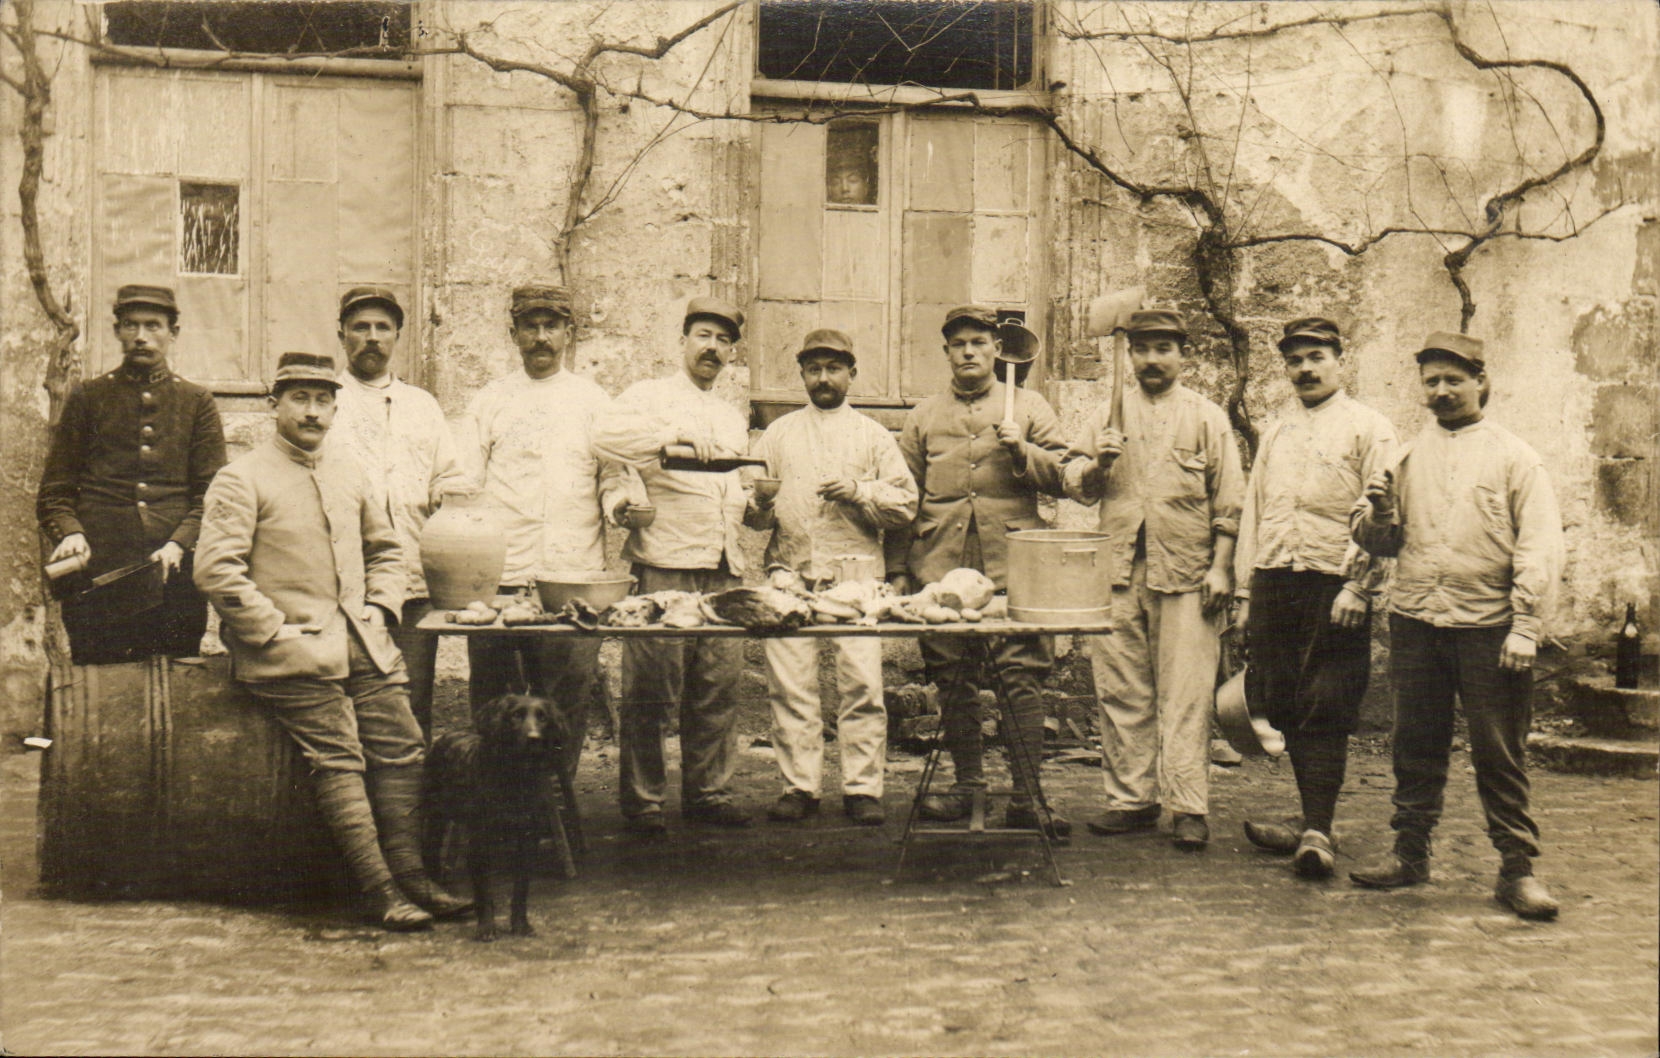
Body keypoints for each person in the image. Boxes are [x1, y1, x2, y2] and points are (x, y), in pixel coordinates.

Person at [195, 352, 469, 931]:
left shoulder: (348, 470)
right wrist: (273, 630)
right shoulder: (241, 478)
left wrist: (379, 607)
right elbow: (217, 570)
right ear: (275, 405)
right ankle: (380, 889)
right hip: (287, 653)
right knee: (340, 755)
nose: (313, 412)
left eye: (323, 400)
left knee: (401, 741)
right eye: (300, 399)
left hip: (360, 641)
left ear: (335, 407)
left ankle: (415, 876)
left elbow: (387, 549)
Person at [1348, 331, 1564, 921]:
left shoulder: (1514, 457)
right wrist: (1380, 516)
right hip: (1417, 620)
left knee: (1500, 752)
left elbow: (1540, 545)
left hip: (1490, 627)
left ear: (1481, 383)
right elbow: (1377, 544)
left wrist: (1525, 624)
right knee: (1414, 745)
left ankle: (1517, 870)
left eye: (1454, 380)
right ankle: (1409, 854)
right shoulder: (1405, 457)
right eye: (1432, 382)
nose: (1442, 392)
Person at [886, 305, 1073, 840]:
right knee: (953, 678)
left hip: (1014, 565)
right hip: (940, 569)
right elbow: (904, 499)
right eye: (958, 343)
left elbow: (1063, 476)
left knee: (1022, 677)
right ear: (946, 352)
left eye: (979, 342)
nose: (969, 351)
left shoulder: (1029, 406)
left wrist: (1024, 451)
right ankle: (967, 784)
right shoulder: (922, 416)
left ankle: (1027, 796)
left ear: (996, 350)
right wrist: (899, 569)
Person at [1065, 309, 1244, 851]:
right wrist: (1097, 464)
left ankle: (1187, 805)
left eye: (1163, 348)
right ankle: (1131, 800)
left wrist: (1221, 567)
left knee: (1187, 694)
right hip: (1117, 571)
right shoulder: (1107, 415)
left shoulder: (1207, 418)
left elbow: (1232, 502)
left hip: (1188, 574)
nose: (1151, 360)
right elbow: (1073, 483)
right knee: (1122, 692)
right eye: (1142, 349)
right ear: (1131, 356)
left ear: (1182, 355)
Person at [1232, 317, 1398, 877]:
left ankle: (1319, 830)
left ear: (1338, 360)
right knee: (1284, 703)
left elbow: (1387, 512)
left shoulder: (1369, 428)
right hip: (1277, 578)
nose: (1305, 369)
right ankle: (1309, 821)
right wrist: (1244, 593)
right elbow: (1256, 510)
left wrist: (1360, 584)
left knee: (1325, 704)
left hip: (1335, 584)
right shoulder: (1277, 431)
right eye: (1295, 360)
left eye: (1316, 357)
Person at [591, 296, 755, 833]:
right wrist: (671, 438)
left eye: (723, 340)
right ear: (683, 340)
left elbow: (735, 486)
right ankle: (644, 802)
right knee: (651, 691)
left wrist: (758, 505)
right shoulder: (649, 397)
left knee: (717, 688)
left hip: (723, 566)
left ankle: (711, 794)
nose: (712, 348)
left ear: (732, 351)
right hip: (665, 562)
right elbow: (604, 439)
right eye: (703, 335)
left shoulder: (733, 415)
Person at [745, 329, 917, 827]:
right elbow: (756, 519)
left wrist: (859, 490)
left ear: (851, 374)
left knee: (862, 684)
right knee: (791, 686)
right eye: (814, 368)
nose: (824, 378)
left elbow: (906, 505)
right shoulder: (776, 435)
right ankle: (799, 786)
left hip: (855, 577)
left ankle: (863, 789)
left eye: (834, 368)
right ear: (802, 374)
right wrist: (758, 502)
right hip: (790, 573)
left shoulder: (873, 435)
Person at [458, 285, 630, 770]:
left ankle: (556, 802)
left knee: (564, 705)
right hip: (502, 579)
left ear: (569, 334)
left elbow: (613, 478)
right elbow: (465, 485)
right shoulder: (490, 401)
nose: (541, 337)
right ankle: (496, 807)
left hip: (572, 580)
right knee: (496, 705)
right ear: (513, 334)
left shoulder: (594, 401)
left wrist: (619, 506)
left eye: (551, 326)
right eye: (530, 327)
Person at [37, 284, 226, 664]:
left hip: (174, 577)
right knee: (101, 688)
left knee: (176, 685)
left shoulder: (197, 402)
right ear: (117, 331)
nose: (141, 336)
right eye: (130, 325)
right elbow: (54, 494)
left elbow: (214, 497)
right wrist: (71, 532)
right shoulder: (87, 398)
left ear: (173, 333)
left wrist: (179, 543)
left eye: (153, 326)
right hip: (101, 576)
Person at [328, 286, 465, 734]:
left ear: (398, 336)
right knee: (347, 698)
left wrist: (448, 496)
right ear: (342, 334)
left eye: (382, 328)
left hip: (412, 579)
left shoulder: (422, 405)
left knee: (410, 697)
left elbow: (447, 474)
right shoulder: (326, 403)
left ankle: (408, 800)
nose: (372, 337)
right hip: (345, 581)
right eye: (360, 327)